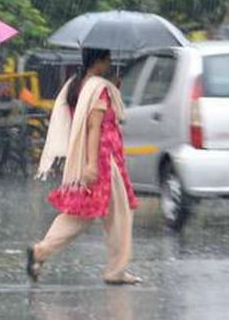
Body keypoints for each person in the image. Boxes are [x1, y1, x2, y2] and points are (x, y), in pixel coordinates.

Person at [26, 48, 141, 285]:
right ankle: (116, 270)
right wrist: (91, 165)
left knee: (81, 213)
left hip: (89, 159)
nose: (110, 63)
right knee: (118, 214)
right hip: (103, 161)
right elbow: (94, 127)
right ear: (98, 61)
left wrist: (113, 89)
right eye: (107, 59)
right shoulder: (99, 89)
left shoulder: (76, 85)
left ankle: (40, 251)